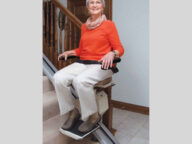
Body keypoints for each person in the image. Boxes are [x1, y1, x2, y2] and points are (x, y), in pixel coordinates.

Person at [53, 0, 124, 133]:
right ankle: (74, 110)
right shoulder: (85, 26)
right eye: (91, 2)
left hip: (102, 65)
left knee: (80, 81)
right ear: (87, 7)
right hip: (84, 63)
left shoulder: (109, 25)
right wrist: (72, 52)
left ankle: (93, 116)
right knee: (58, 77)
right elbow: (83, 49)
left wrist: (112, 53)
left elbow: (120, 48)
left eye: (98, 2)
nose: (95, 5)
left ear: (102, 6)